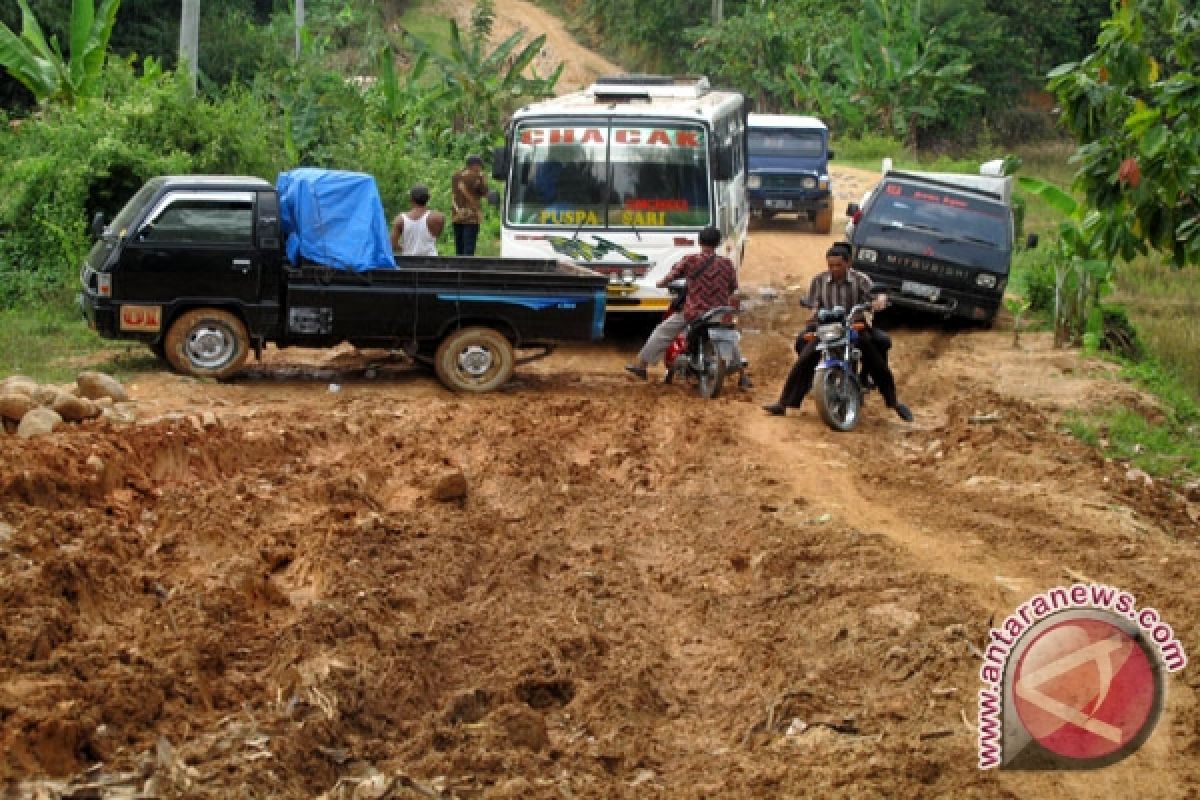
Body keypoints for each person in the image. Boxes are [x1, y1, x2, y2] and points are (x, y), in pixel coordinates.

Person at [763, 242, 913, 421]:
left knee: (875, 358)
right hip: (826, 328)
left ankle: (893, 401)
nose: (834, 269)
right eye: (830, 265)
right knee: (805, 358)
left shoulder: (860, 279)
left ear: (848, 263)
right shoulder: (819, 281)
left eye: (838, 265)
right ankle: (784, 403)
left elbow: (877, 295)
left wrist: (879, 300)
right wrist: (813, 313)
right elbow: (813, 304)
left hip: (852, 326)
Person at [625, 226, 751, 389]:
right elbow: (733, 287)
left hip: (694, 312)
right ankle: (743, 376)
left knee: (663, 331)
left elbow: (672, 275)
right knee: (728, 337)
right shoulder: (727, 263)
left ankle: (642, 366)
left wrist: (660, 283)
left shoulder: (691, 260)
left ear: (700, 242)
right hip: (719, 313)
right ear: (718, 243)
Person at [390, 185, 444, 256]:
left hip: (409, 263)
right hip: (431, 261)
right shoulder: (438, 217)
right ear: (428, 198)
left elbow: (392, 245)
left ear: (411, 199)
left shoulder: (400, 219)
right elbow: (436, 235)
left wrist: (405, 248)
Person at [451, 154, 488, 255]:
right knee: (469, 247)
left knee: (459, 247)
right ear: (475, 165)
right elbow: (485, 193)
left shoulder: (456, 175)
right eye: (480, 166)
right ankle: (467, 268)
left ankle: (458, 268)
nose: (480, 168)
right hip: (471, 217)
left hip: (457, 215)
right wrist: (484, 180)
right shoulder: (477, 176)